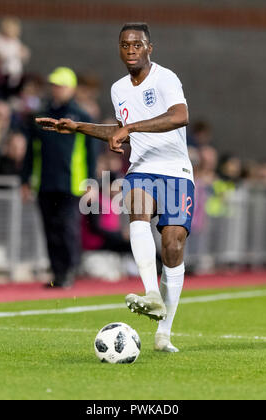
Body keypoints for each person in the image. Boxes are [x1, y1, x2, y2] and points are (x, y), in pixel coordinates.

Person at [36, 23, 194, 353]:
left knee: (173, 244)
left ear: (150, 47)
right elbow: (119, 131)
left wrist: (131, 128)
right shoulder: (118, 89)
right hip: (142, 168)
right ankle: (151, 293)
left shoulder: (166, 78)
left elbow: (180, 116)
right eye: (125, 44)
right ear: (119, 49)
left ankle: (164, 332)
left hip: (177, 170)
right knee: (136, 203)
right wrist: (77, 126)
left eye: (138, 44)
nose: (131, 49)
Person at [22, 67, 97, 288]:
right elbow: (30, 151)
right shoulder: (41, 117)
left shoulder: (82, 117)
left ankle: (69, 270)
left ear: (71, 88)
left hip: (71, 183)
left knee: (67, 229)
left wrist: (91, 183)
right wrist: (25, 181)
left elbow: (90, 154)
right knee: (49, 230)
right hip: (45, 182)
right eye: (54, 85)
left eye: (61, 85)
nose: (57, 89)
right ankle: (57, 272)